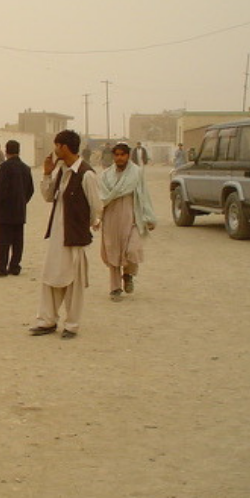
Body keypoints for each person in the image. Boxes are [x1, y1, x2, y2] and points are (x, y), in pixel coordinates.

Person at [29, 129, 102, 340]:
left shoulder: (86, 174)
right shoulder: (61, 170)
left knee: (74, 282)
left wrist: (90, 224)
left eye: (56, 145)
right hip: (57, 237)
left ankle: (72, 325)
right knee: (50, 277)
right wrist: (46, 173)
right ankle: (47, 320)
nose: (54, 150)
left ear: (64, 147)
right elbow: (48, 196)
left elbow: (96, 205)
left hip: (75, 238)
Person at [99, 142, 156, 301]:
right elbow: (101, 198)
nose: (119, 158)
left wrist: (149, 218)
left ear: (128, 156)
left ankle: (128, 274)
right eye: (116, 155)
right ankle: (115, 288)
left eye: (122, 155)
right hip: (111, 218)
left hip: (131, 217)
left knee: (132, 250)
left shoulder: (136, 173)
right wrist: (96, 218)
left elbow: (144, 195)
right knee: (113, 252)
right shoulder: (105, 175)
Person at [0, 139, 35, 278]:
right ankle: (15, 266)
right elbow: (30, 190)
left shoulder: (5, 168)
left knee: (3, 240)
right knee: (18, 240)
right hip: (19, 210)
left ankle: (1, 267)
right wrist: (22, 201)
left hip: (5, 211)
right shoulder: (26, 168)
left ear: (7, 151)